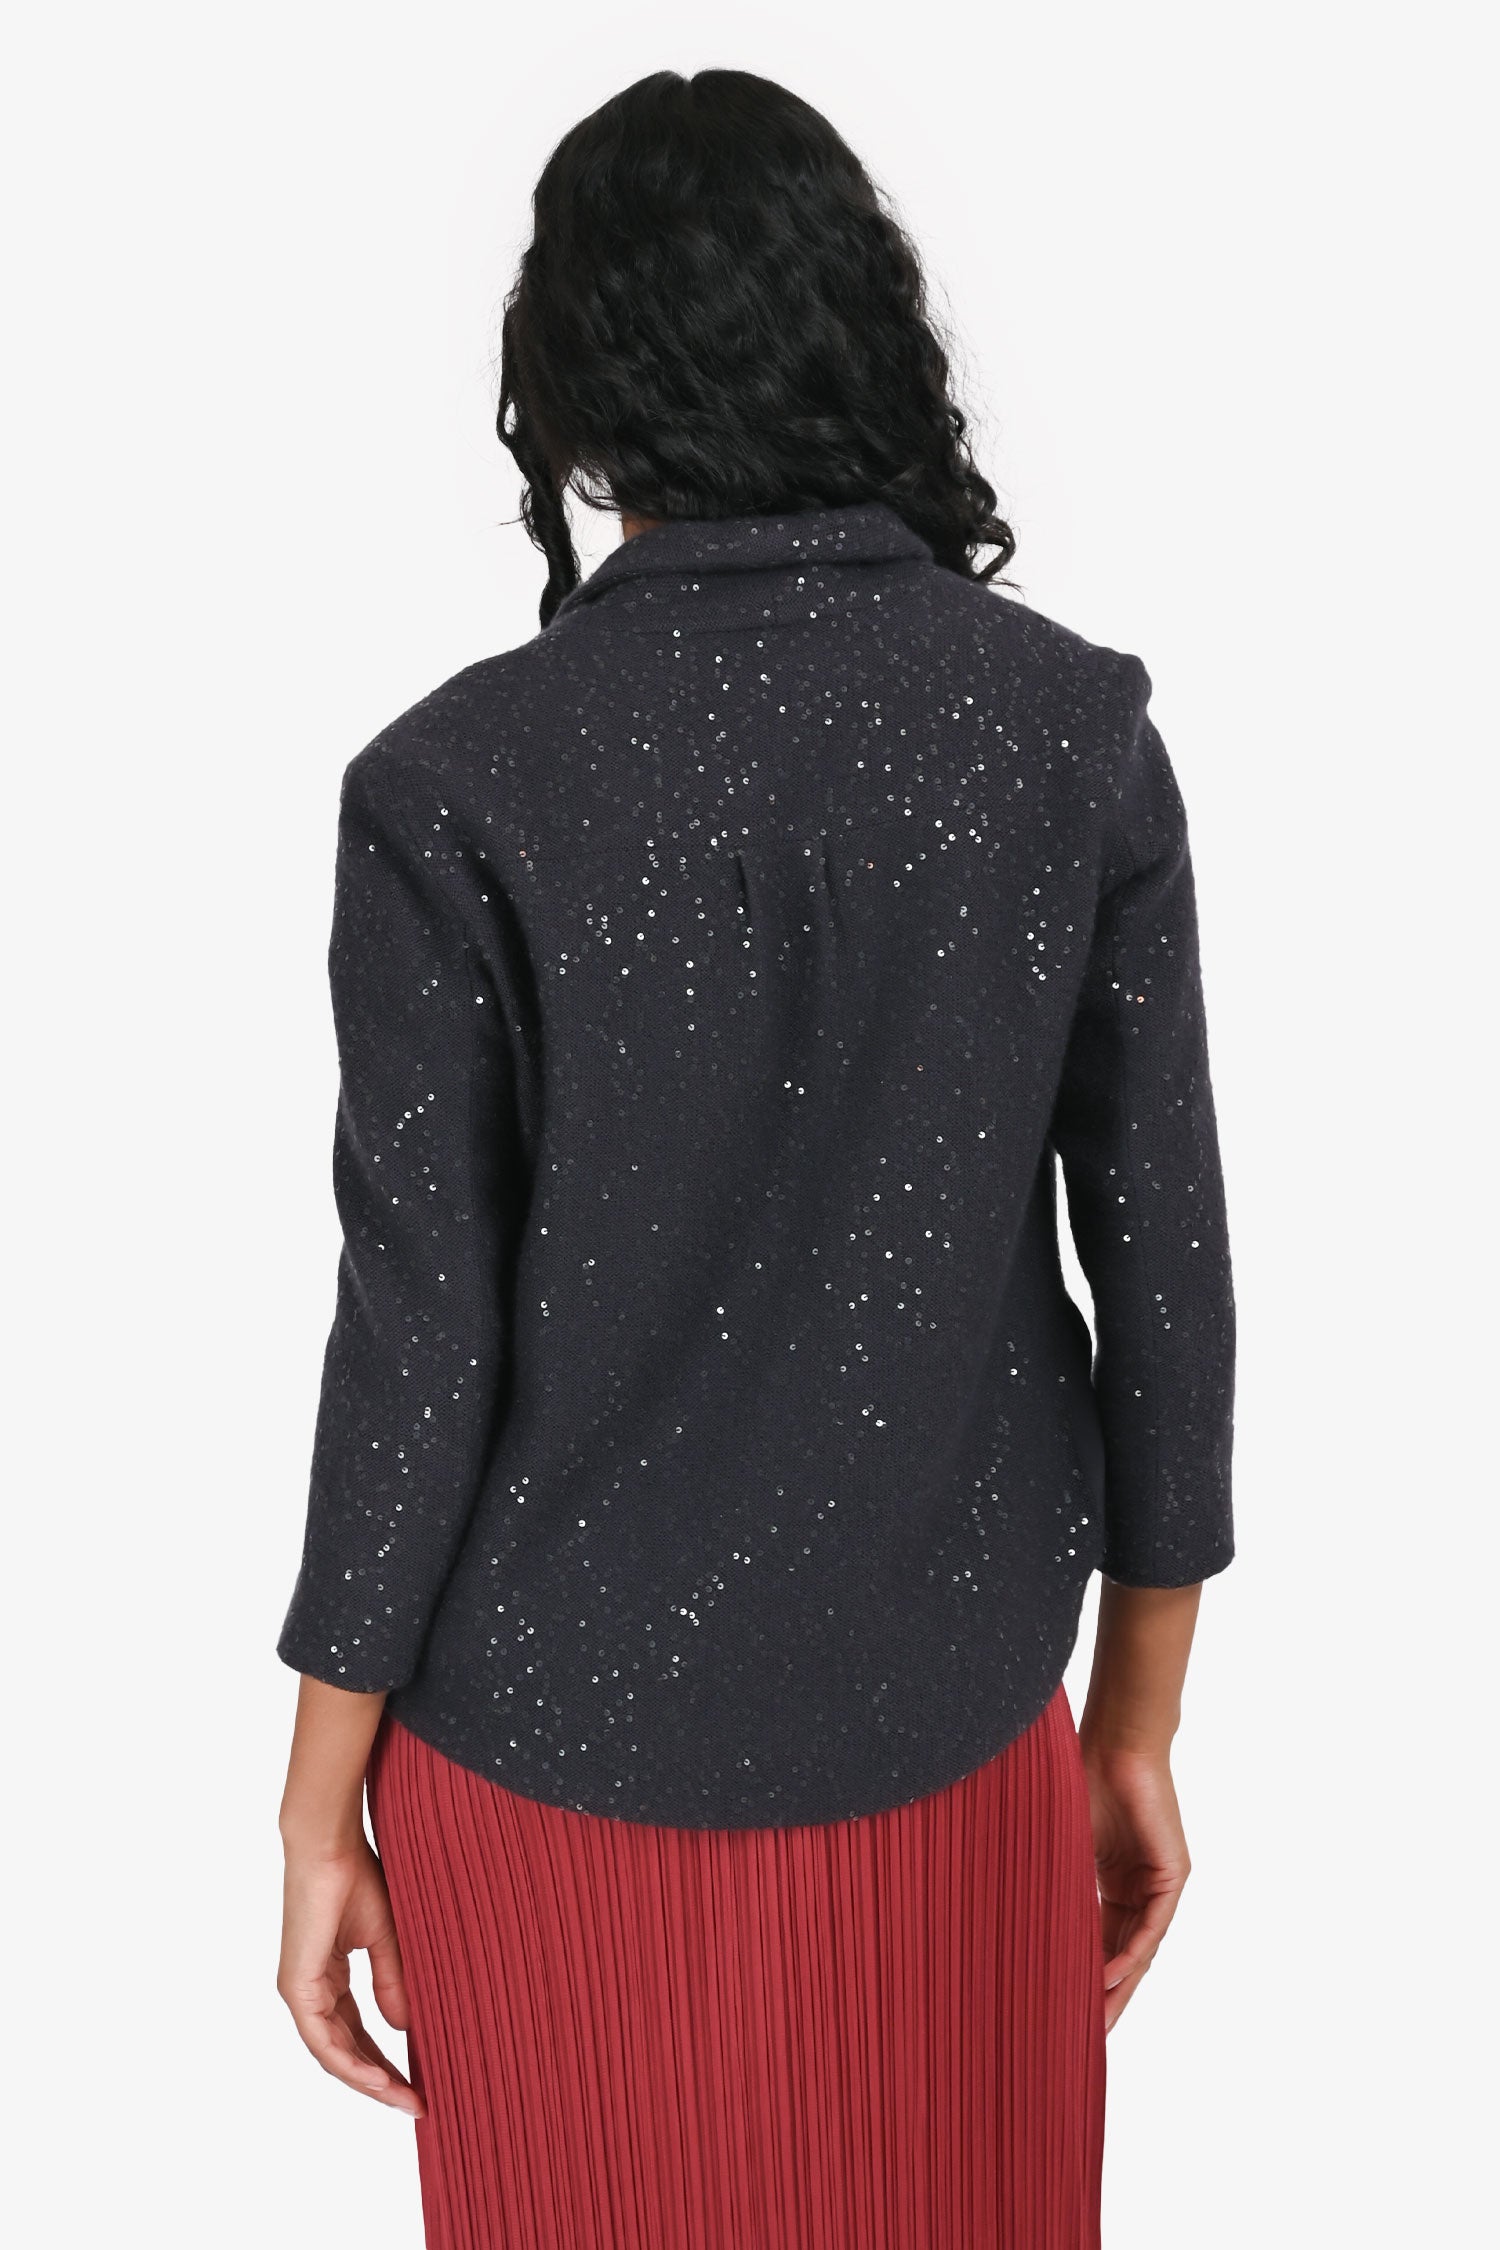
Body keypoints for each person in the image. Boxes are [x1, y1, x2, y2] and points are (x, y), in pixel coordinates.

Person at [275, 66, 1236, 2250]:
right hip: (956, 1726)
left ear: (567, 385)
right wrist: (1137, 1723)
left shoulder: (450, 784)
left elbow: (415, 1349)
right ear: (860, 332)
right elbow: (1165, 1269)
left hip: (535, 1763)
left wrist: (317, 1811)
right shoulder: (1066, 732)